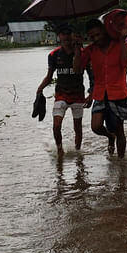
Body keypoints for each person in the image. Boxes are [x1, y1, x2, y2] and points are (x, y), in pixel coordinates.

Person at [74, 18, 127, 157]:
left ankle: (121, 166)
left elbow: (126, 63)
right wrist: (77, 49)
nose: (96, 39)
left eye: (98, 35)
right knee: (96, 126)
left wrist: (123, 40)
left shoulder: (118, 45)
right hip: (100, 93)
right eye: (92, 36)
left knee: (119, 130)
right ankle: (109, 137)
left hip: (118, 92)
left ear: (105, 32)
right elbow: (77, 69)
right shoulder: (90, 50)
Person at [36, 23, 93, 155]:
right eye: (63, 34)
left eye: (69, 33)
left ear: (73, 36)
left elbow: (92, 76)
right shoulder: (53, 55)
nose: (66, 37)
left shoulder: (83, 53)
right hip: (61, 94)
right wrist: (39, 89)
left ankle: (78, 153)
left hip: (78, 95)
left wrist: (91, 94)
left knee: (77, 127)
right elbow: (49, 76)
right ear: (59, 36)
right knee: (56, 126)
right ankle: (60, 150)